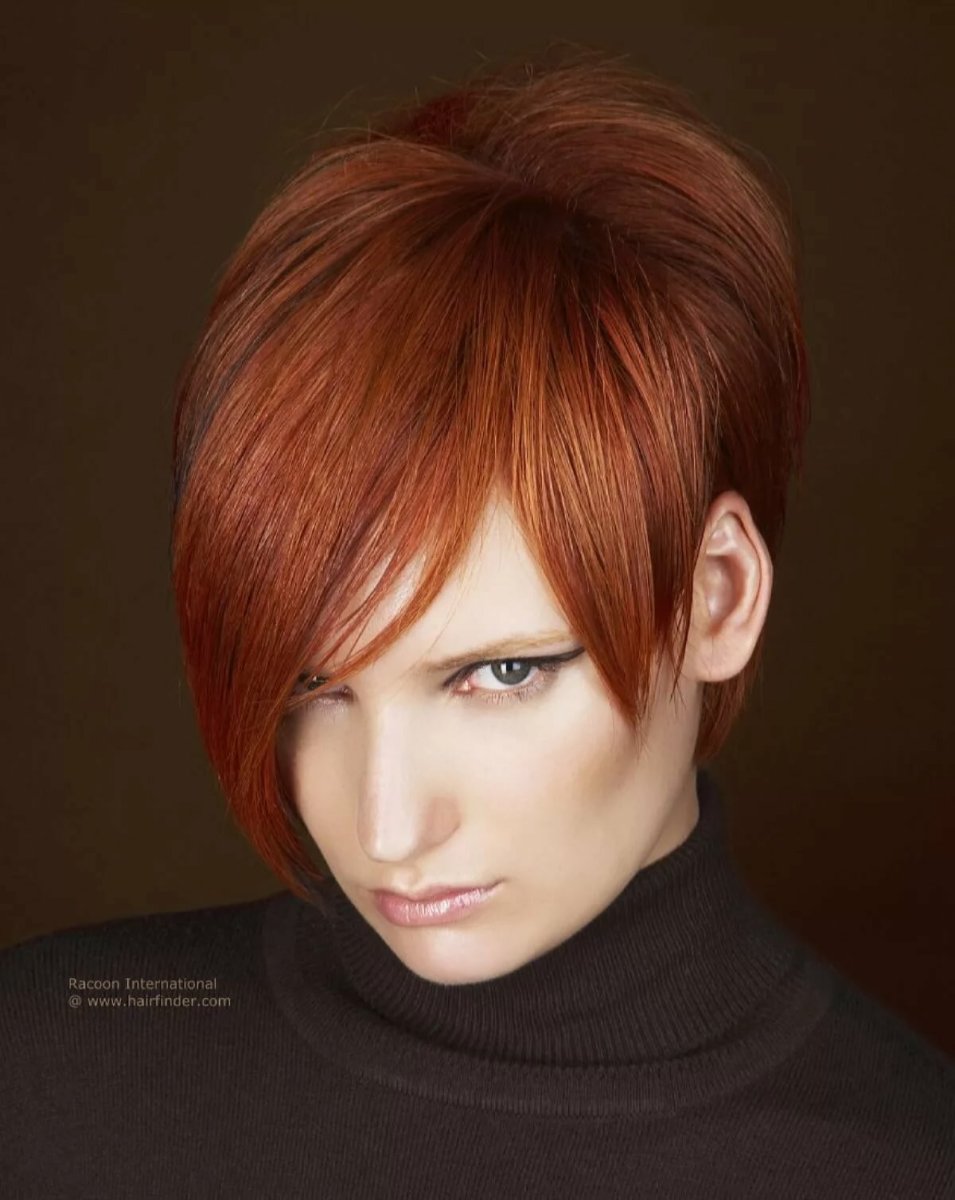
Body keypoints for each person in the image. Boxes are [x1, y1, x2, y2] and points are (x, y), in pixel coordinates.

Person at [2, 44, 953, 1199]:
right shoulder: (52, 1067)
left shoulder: (902, 1163)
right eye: (314, 686)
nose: (387, 827)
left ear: (717, 595)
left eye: (500, 673)